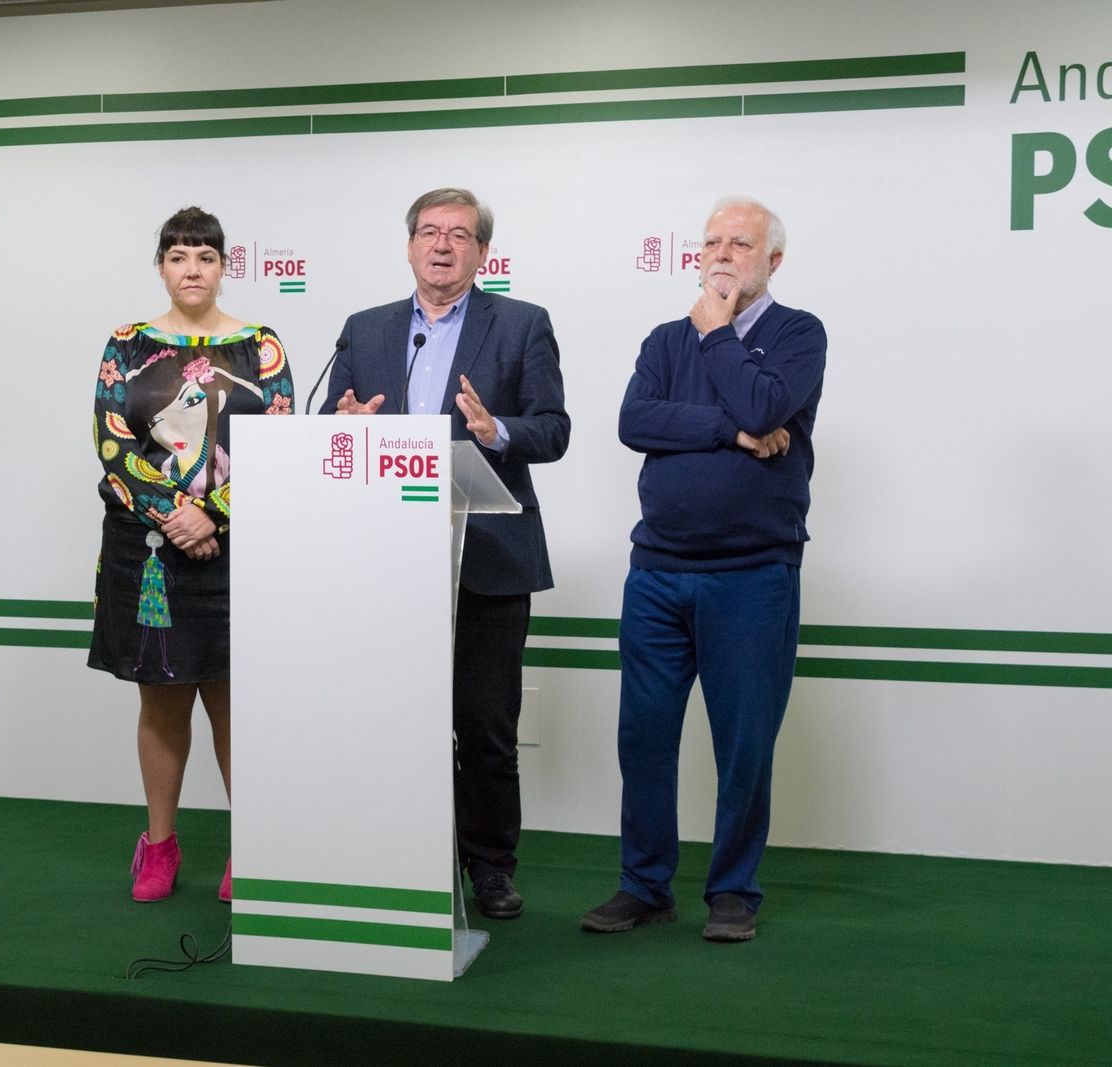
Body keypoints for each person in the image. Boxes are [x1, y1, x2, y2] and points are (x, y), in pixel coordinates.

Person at [320, 188, 569, 919]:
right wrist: (344, 425)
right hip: (389, 561)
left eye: (459, 235)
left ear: (482, 252)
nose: (441, 245)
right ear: (409, 246)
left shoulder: (522, 324)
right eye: (429, 232)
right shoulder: (364, 329)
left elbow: (554, 429)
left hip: (487, 556)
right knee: (395, 721)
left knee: (486, 725)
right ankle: (400, 856)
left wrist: (495, 431)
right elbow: (334, 428)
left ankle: (489, 868)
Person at [582, 195, 826, 942]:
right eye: (712, 242)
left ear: (773, 260)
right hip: (657, 572)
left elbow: (764, 403)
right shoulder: (664, 340)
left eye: (740, 244)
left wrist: (718, 333)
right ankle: (644, 885)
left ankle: (733, 891)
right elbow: (635, 420)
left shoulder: (798, 334)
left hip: (753, 575)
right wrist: (732, 431)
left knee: (744, 741)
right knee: (644, 736)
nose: (721, 254)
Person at [89, 206, 294, 903]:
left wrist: (213, 513)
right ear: (161, 267)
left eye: (205, 256)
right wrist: (174, 515)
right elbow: (112, 442)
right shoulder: (126, 344)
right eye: (178, 256)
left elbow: (280, 442)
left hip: (238, 549)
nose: (192, 269)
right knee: (162, 699)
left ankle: (253, 845)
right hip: (147, 549)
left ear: (224, 266)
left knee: (233, 702)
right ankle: (160, 844)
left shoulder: (261, 345)